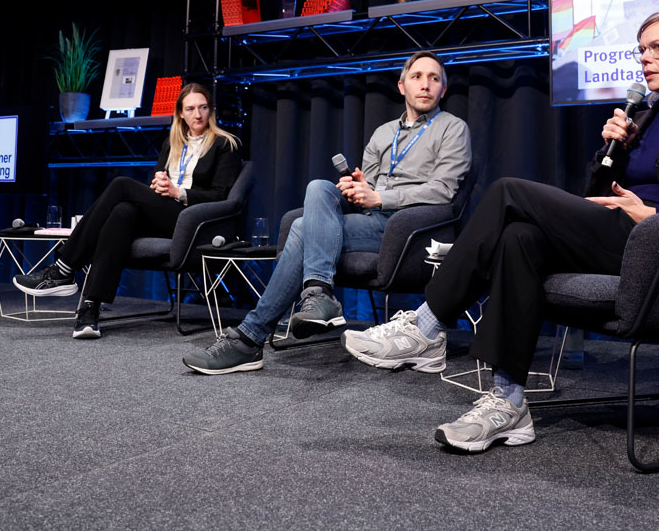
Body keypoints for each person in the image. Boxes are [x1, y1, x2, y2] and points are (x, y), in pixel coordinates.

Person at [344, 8, 659, 453]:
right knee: (517, 238)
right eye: (641, 49)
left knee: (508, 192)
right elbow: (597, 192)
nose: (645, 58)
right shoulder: (644, 117)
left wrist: (656, 215)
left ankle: (427, 326)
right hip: (618, 236)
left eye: (658, 47)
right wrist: (614, 150)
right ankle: (507, 404)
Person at [182, 50, 472, 375]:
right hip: (371, 220)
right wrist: (360, 188)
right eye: (417, 77)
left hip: (409, 230)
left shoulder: (452, 128)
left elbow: (443, 191)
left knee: (303, 229)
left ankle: (251, 338)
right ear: (402, 85)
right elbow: (370, 188)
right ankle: (317, 296)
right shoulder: (383, 133)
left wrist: (380, 197)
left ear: (443, 90)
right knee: (319, 187)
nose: (426, 85)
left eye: (434, 79)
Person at [14, 83, 242, 339]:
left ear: (210, 111)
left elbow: (222, 196)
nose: (197, 114)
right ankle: (90, 309)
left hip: (193, 222)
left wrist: (179, 193)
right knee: (122, 212)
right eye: (190, 109)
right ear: (180, 113)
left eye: (203, 108)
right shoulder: (172, 143)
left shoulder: (225, 144)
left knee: (122, 185)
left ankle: (64, 267)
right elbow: (158, 183)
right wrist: (159, 187)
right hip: (165, 213)